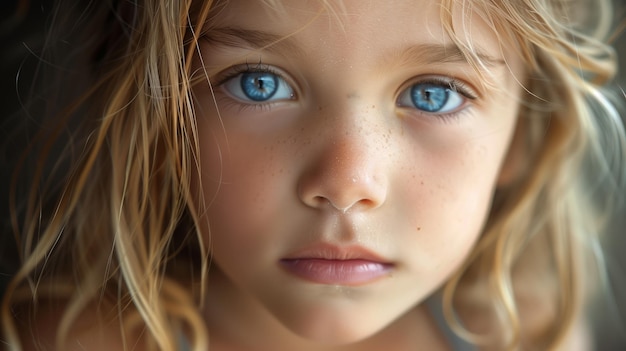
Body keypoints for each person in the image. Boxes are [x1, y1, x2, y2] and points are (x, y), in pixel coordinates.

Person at [1, 0, 625, 350]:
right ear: (162, 121)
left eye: (435, 93)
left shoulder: (529, 336)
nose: (348, 182)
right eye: (258, 82)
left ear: (522, 135)